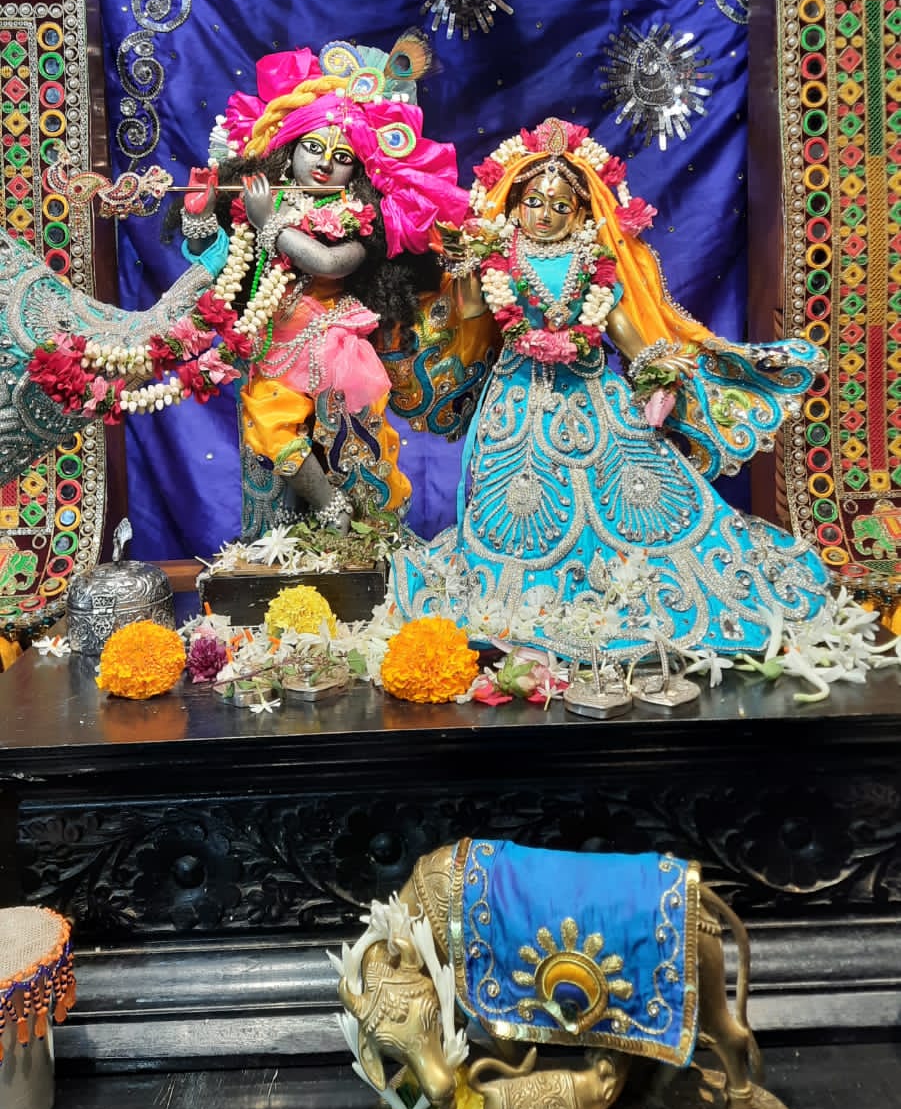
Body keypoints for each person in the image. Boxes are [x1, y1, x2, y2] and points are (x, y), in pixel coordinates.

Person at [388, 116, 831, 660]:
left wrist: (653, 366)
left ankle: (627, 591)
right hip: (518, 399)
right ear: (516, 205)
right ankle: (521, 601)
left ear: (580, 213)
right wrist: (465, 267)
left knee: (638, 492)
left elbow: (620, 327)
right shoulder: (499, 256)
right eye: (534, 202)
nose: (545, 213)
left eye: (559, 205)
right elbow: (474, 311)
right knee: (517, 505)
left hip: (593, 394)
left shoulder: (595, 260)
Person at [170, 34, 470, 532]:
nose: (324, 163)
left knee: (353, 442)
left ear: (358, 171)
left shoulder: (359, 215)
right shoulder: (264, 198)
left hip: (330, 343)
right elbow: (218, 264)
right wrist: (200, 216)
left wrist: (271, 224)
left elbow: (330, 263)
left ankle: (360, 524)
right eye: (312, 147)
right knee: (268, 430)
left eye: (342, 156)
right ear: (288, 151)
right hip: (270, 343)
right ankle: (321, 518)